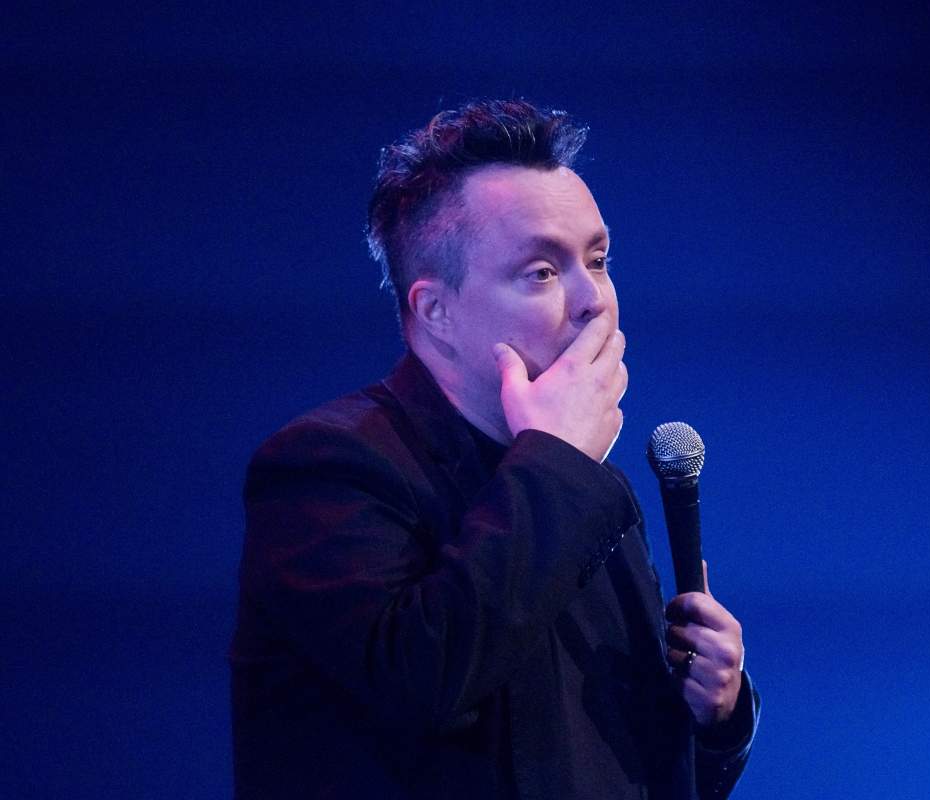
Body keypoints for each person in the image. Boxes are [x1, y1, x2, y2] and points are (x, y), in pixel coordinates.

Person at [229, 99, 760, 798]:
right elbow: (423, 684)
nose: (594, 300)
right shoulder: (328, 468)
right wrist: (558, 465)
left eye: (598, 261)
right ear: (435, 310)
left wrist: (715, 717)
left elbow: (624, 767)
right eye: (541, 271)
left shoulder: (587, 489)